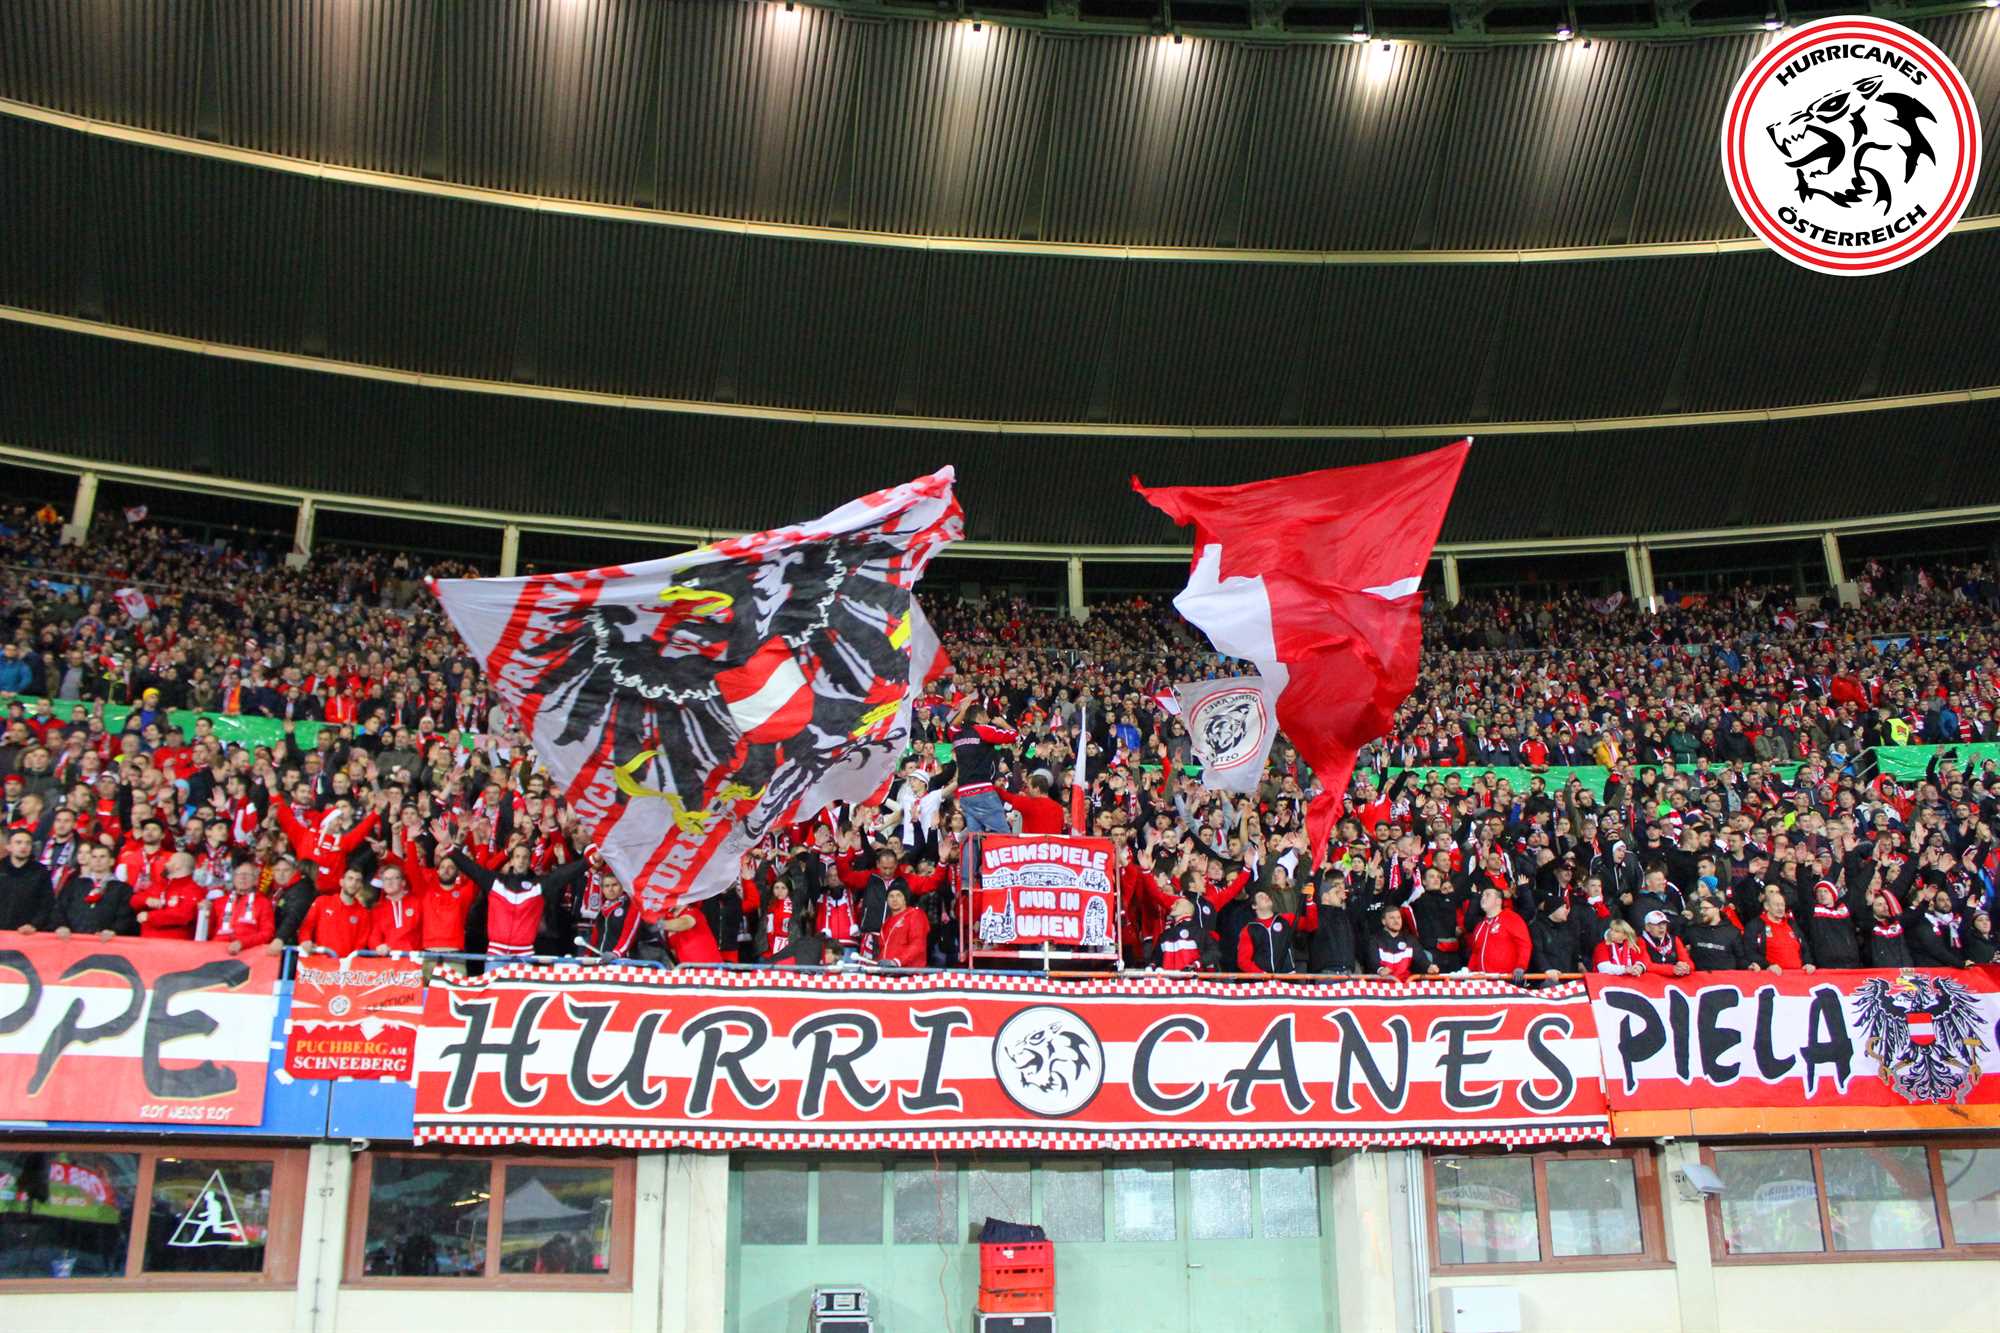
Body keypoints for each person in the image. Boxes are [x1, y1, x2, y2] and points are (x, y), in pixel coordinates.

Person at [440, 823, 592, 959]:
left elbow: (562, 875)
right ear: (511, 860)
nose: (521, 860)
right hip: (496, 955)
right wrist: (450, 848)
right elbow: (472, 868)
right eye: (517, 856)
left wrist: (588, 861)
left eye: (525, 857)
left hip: (525, 955)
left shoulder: (538, 885)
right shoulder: (495, 882)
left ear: (529, 861)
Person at [949, 693, 1018, 835]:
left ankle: (970, 850)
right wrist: (1003, 724)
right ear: (980, 717)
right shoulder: (983, 730)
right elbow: (1014, 737)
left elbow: (951, 727)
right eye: (986, 717)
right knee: (1004, 835)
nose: (988, 720)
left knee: (975, 837)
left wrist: (963, 711)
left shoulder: (956, 734)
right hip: (982, 791)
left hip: (964, 794)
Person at [51, 843, 136, 938]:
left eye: (102, 857)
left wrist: (115, 930)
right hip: (72, 939)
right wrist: (61, 925)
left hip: (106, 941)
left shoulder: (123, 889)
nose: (98, 860)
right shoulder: (74, 884)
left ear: (111, 861)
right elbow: (59, 908)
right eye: (94, 857)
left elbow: (126, 915)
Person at [290, 866, 373, 956]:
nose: (353, 883)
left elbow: (360, 944)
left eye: (358, 880)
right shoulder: (322, 902)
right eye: (350, 878)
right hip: (319, 960)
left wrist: (350, 961)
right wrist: (305, 940)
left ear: (361, 885)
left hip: (345, 963)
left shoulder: (363, 913)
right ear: (341, 882)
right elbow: (307, 926)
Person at [208, 860, 276, 954]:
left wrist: (242, 943)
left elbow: (267, 933)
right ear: (234, 879)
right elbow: (207, 931)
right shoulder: (219, 902)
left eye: (248, 875)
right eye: (239, 874)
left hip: (248, 954)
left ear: (256, 881)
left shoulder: (263, 903)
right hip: (217, 951)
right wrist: (205, 911)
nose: (243, 877)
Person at [1465, 886, 1531, 978]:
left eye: (1488, 895)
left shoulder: (1511, 918)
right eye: (1482, 895)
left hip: (1507, 979)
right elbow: (1476, 953)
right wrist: (1469, 971)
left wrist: (1521, 966)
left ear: (1498, 901)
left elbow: (1524, 944)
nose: (1483, 898)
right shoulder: (1480, 925)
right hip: (1484, 981)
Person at [1744, 886, 1814, 974]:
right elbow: (1750, 952)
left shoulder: (1791, 924)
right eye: (1776, 905)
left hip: (1798, 976)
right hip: (1772, 977)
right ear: (1766, 906)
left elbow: (1804, 948)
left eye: (1782, 905)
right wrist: (1767, 966)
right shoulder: (1755, 926)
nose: (1780, 908)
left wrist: (1808, 963)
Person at [134, 851, 201, 939]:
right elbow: (134, 900)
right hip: (147, 940)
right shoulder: (160, 885)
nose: (165, 864)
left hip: (174, 943)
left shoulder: (193, 889)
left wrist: (150, 917)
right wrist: (147, 900)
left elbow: (184, 915)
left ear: (177, 866)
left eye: (169, 861)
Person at [1301, 879, 1361, 975]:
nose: (1340, 895)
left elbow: (1362, 908)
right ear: (1326, 897)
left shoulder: (1343, 914)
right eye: (1336, 892)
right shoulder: (1317, 915)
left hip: (1348, 971)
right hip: (1327, 972)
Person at [0, 827, 55, 932]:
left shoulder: (41, 872)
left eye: (28, 843)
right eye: (18, 842)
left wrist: (34, 924)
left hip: (27, 933)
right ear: (9, 846)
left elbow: (47, 903)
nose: (23, 846)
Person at [1366, 903, 1437, 979]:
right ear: (1384, 921)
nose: (1396, 921)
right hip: (1382, 983)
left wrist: (1429, 967)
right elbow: (1373, 961)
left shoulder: (1410, 939)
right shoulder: (1375, 940)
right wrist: (1380, 969)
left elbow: (1420, 958)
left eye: (1399, 918)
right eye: (1392, 918)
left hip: (1405, 983)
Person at [1800, 880, 1862, 969]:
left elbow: (1858, 887)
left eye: (1826, 891)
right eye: (1819, 892)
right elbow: (1803, 888)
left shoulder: (1844, 908)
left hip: (1851, 964)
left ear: (1833, 894)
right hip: (1827, 966)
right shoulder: (1814, 911)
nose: (1822, 894)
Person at [1236, 888, 1298, 974]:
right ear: (1254, 906)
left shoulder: (1286, 919)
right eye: (1261, 897)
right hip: (1264, 979)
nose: (1266, 897)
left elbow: (1311, 925)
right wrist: (1262, 975)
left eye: (1267, 895)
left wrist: (1309, 901)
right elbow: (1243, 961)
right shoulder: (1249, 929)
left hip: (1288, 976)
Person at [1683, 897, 1754, 971]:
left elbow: (1740, 959)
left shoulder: (1733, 932)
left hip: (1724, 977)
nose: (1701, 912)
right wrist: (1683, 919)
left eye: (1705, 908)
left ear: (1717, 909)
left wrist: (1749, 966)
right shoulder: (1693, 930)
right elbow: (1677, 944)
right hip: (1699, 977)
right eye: (1700, 909)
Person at [1151, 896, 1214, 972]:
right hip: (1168, 978)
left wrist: (1196, 964)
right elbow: (1156, 958)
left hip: (1191, 978)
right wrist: (1152, 965)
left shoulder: (1198, 931)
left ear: (1187, 911)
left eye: (1177, 904)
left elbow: (1214, 952)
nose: (1172, 906)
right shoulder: (1166, 934)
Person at [877, 885, 929, 969]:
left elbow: (917, 944)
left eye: (899, 895)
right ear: (887, 900)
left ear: (905, 899)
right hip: (888, 972)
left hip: (908, 973)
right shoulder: (886, 922)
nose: (894, 899)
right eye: (891, 896)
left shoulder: (915, 914)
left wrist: (897, 962)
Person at [660, 901, 725, 965]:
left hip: (710, 968)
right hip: (687, 969)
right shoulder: (669, 920)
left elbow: (685, 923)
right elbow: (673, 951)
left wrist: (660, 924)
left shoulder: (693, 911)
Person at [1636, 909, 1693, 977]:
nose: (1662, 927)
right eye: (1657, 924)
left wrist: (1686, 967)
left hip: (1676, 979)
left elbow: (1689, 963)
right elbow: (1646, 965)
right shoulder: (1640, 941)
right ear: (1647, 927)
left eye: (1664, 923)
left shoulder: (1675, 939)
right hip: (1653, 980)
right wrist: (1672, 969)